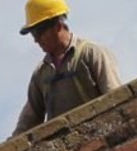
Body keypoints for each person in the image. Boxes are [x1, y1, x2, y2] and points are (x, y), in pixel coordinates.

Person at [13, 0, 121, 136]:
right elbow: (30, 117)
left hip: (98, 136)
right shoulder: (41, 73)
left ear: (57, 27)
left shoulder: (90, 53)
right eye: (33, 35)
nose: (36, 40)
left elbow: (115, 98)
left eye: (38, 33)